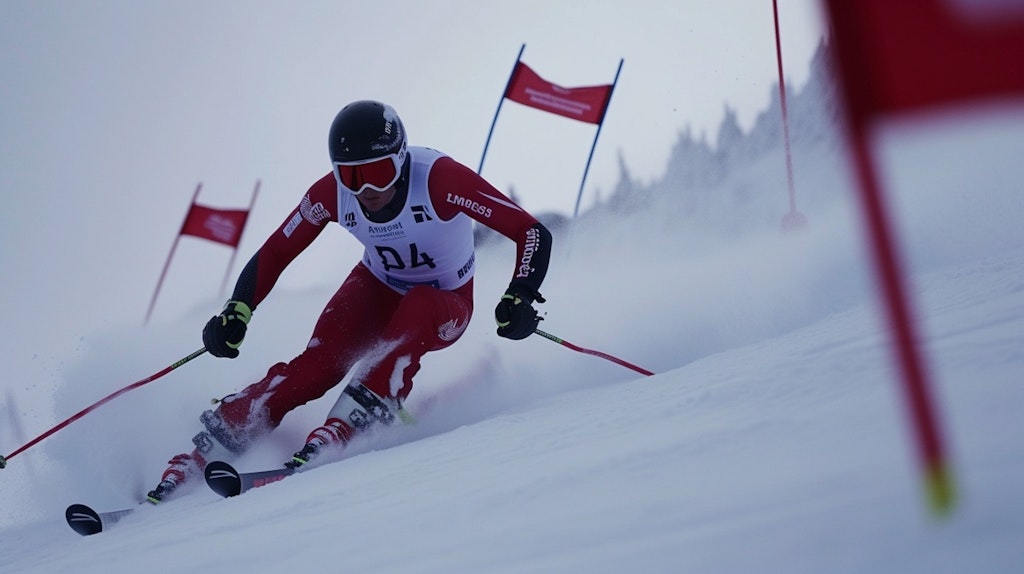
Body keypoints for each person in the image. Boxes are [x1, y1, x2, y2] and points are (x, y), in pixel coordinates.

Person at [146, 100, 551, 503]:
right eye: (351, 176)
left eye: (378, 172)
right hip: (375, 288)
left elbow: (530, 232)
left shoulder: (439, 180)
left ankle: (353, 419)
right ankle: (212, 446)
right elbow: (275, 252)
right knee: (318, 366)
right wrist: (238, 309)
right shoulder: (333, 194)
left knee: (418, 309)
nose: (366, 190)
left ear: (403, 160)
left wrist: (521, 294)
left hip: (445, 304)